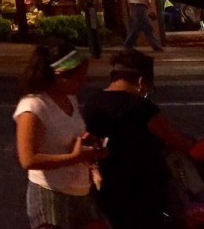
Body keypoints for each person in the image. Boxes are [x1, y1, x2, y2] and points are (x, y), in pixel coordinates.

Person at [83, 49, 203, 229]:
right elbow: (178, 141)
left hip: (108, 186)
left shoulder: (93, 103)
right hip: (143, 189)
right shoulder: (140, 107)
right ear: (140, 81)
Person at [13, 42, 109, 229]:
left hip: (80, 191)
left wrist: (90, 144)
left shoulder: (69, 98)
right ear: (58, 76)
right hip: (50, 193)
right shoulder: (33, 106)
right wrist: (75, 157)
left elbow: (72, 135)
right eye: (78, 78)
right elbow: (28, 160)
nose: (83, 82)